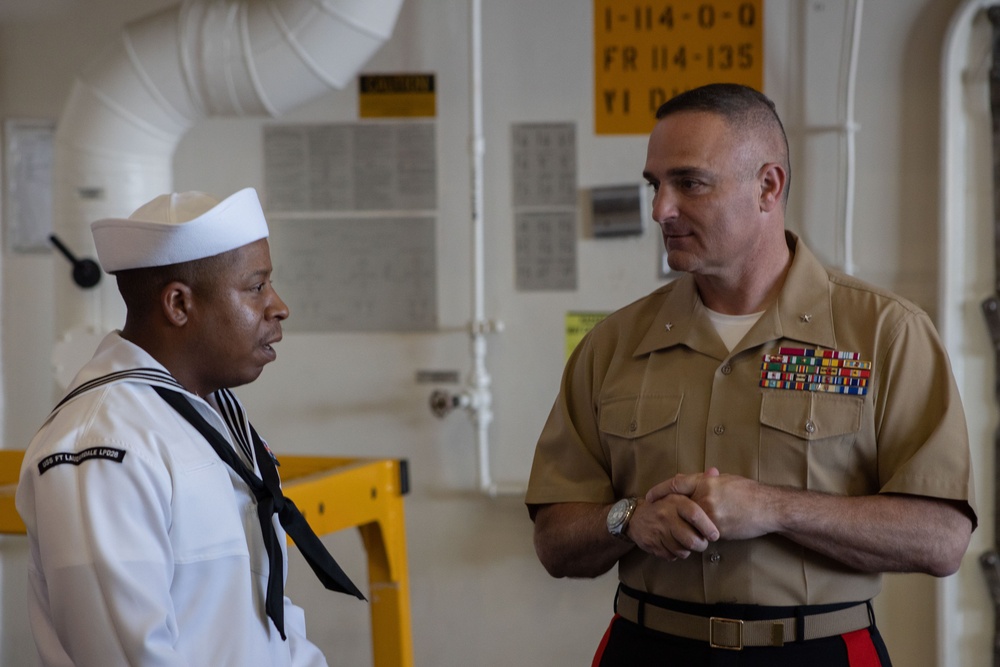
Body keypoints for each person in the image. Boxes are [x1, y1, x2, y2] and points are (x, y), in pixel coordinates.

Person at [525, 83, 977, 666]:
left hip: (817, 651)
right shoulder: (613, 344)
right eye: (654, 185)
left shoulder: (887, 333)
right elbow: (554, 541)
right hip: (648, 649)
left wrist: (775, 508)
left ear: (768, 186)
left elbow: (941, 539)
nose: (661, 208)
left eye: (689, 183)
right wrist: (629, 518)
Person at [16, 187, 363, 667]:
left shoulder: (207, 413)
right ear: (179, 304)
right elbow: (125, 656)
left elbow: (264, 618)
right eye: (256, 287)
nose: (278, 306)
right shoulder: (104, 445)